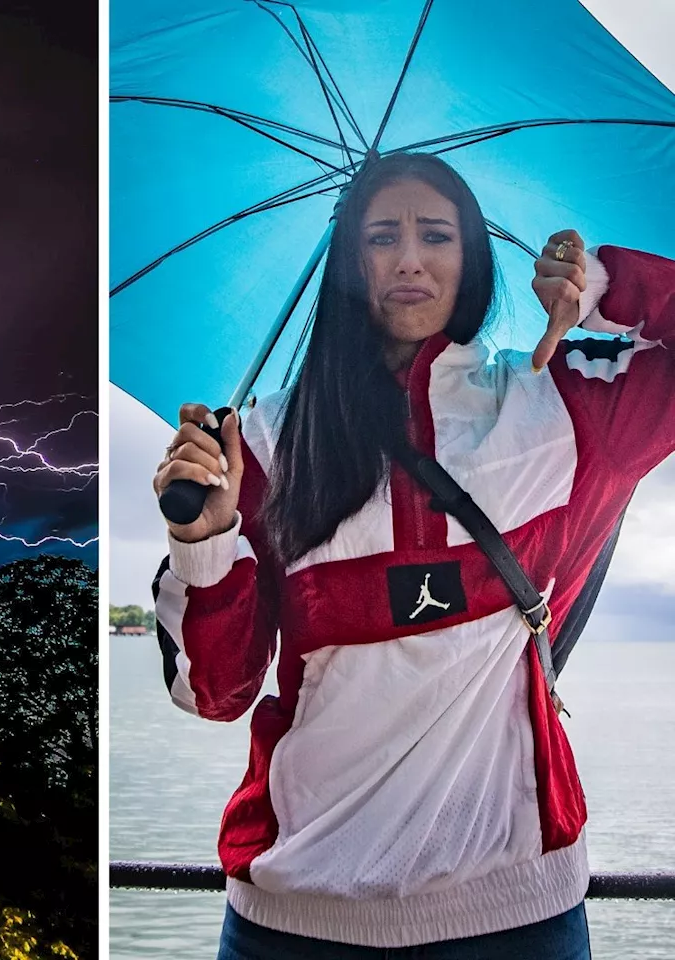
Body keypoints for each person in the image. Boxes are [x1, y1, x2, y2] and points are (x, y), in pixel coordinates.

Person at [150, 151, 675, 958]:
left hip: (517, 915)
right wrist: (201, 539)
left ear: (473, 261)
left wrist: (607, 289)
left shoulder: (558, 405)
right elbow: (214, 693)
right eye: (380, 236)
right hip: (294, 920)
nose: (407, 258)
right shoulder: (261, 441)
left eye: (436, 234)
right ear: (347, 262)